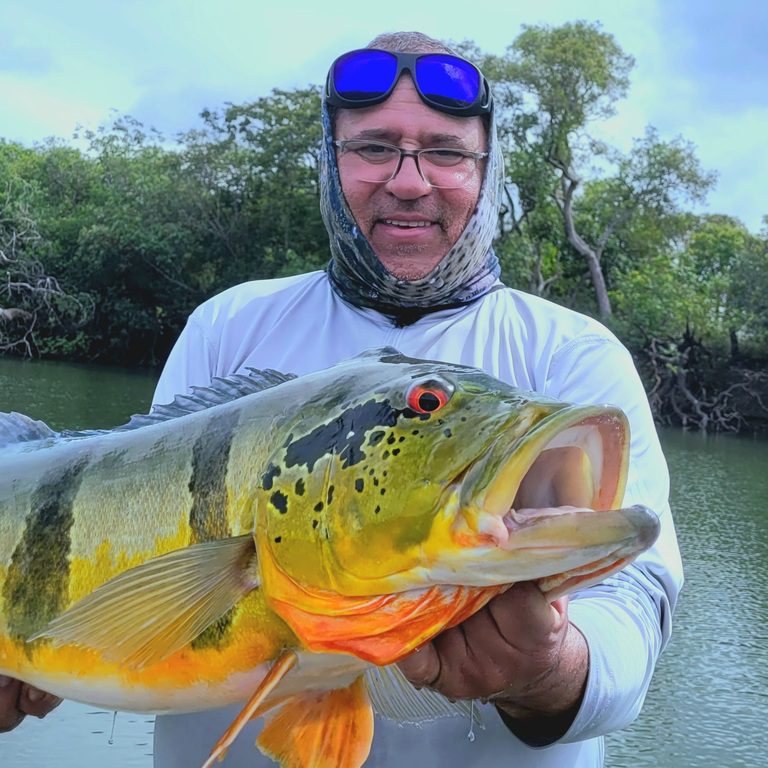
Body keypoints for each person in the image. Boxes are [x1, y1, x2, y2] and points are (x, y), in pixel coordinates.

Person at [2, 31, 683, 768]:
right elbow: (116, 558)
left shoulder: (570, 356)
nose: (410, 180)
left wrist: (549, 670)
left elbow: (631, 620)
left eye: (446, 152)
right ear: (330, 165)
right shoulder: (228, 326)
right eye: (374, 147)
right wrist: (37, 661)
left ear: (488, 173)